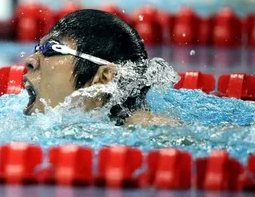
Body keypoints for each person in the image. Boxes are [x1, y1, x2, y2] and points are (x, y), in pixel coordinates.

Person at [23, 9, 178, 126]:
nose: (30, 60)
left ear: (103, 78)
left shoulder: (150, 130)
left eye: (52, 49)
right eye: (38, 48)